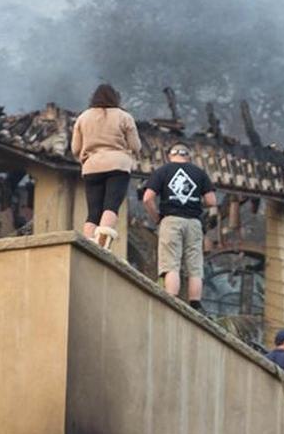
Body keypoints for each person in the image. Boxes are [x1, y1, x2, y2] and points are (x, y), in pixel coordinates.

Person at [141, 143, 216, 312]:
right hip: (194, 222)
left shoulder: (162, 171)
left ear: (170, 155)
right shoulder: (199, 173)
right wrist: (194, 202)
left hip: (171, 220)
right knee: (195, 265)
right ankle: (195, 304)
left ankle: (171, 300)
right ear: (188, 156)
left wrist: (157, 217)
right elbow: (212, 201)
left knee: (171, 264)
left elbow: (147, 198)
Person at [70, 84, 142, 249]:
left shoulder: (83, 118)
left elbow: (75, 149)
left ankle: (88, 247)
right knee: (111, 206)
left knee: (93, 212)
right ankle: (102, 246)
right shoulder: (124, 117)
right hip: (118, 166)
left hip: (91, 167)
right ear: (115, 98)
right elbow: (136, 146)